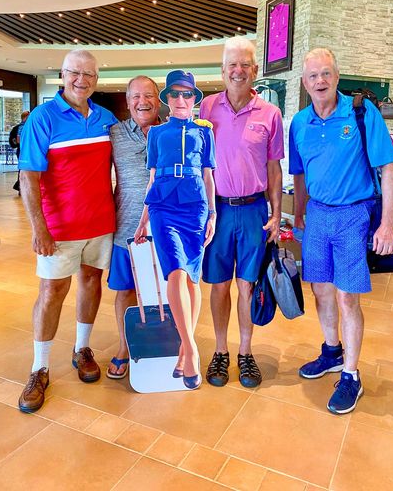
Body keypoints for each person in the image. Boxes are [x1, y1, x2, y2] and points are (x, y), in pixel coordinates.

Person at [289, 47, 393, 414]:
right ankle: (332, 351)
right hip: (316, 215)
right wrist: (299, 213)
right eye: (313, 76)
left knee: (346, 297)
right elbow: (299, 173)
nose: (320, 81)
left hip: (353, 214)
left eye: (326, 74)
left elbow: (388, 168)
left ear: (336, 77)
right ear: (304, 83)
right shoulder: (300, 123)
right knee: (321, 290)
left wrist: (386, 224)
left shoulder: (361, 112)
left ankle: (351, 375)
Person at [17, 49, 117, 413]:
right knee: (52, 291)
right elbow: (28, 177)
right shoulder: (42, 119)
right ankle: (39, 368)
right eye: (75, 73)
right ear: (62, 75)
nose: (82, 80)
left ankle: (82, 348)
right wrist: (38, 228)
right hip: (59, 229)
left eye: (89, 74)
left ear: (96, 79)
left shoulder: (106, 119)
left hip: (101, 223)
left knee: (92, 282)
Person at [199, 37, 284, 389]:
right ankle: (220, 350)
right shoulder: (204, 109)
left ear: (255, 71)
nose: (238, 71)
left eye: (245, 65)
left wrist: (277, 214)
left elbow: (274, 168)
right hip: (216, 212)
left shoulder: (270, 114)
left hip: (252, 211)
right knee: (219, 286)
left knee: (247, 285)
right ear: (222, 70)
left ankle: (245, 353)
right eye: (232, 64)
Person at [134, 70, 216, 390]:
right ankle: (193, 349)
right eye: (175, 94)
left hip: (195, 206)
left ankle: (183, 349)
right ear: (167, 99)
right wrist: (143, 219)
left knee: (193, 278)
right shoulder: (155, 134)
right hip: (163, 208)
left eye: (188, 94)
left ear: (194, 99)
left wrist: (212, 214)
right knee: (176, 274)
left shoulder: (205, 133)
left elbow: (209, 176)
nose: (181, 100)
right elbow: (152, 177)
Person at [106, 76, 161, 379]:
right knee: (125, 291)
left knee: (161, 293)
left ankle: (157, 343)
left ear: (159, 99)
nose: (143, 102)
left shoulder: (172, 132)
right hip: (125, 228)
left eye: (149, 95)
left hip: (165, 231)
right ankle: (124, 346)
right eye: (136, 96)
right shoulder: (114, 134)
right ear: (127, 102)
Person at [10, 110, 30, 193]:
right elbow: (16, 141)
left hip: (21, 150)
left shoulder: (17, 128)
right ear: (25, 117)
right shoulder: (24, 127)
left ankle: (21, 187)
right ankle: (21, 187)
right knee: (25, 169)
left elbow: (13, 142)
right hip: (26, 150)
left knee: (23, 169)